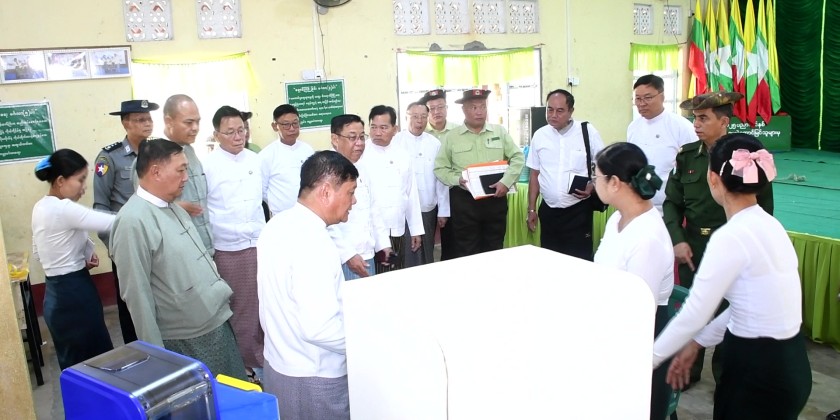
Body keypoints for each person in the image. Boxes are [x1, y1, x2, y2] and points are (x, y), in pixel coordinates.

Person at [654, 133, 811, 419]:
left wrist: (647, 362)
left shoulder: (731, 236)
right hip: (791, 366)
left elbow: (694, 314)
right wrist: (698, 342)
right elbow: (748, 306)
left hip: (757, 372)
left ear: (713, 179)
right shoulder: (770, 225)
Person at [663, 91, 774, 386]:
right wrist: (677, 239)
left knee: (731, 311)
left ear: (724, 122)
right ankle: (688, 372)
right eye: (694, 118)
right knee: (693, 309)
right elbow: (672, 202)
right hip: (693, 246)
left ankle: (726, 377)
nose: (696, 124)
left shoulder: (746, 158)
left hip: (731, 246)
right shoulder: (687, 155)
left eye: (703, 118)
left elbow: (763, 205)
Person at [111, 139, 245, 380]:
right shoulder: (133, 221)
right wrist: (157, 356)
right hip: (187, 337)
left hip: (214, 321)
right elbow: (137, 294)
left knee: (232, 392)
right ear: (156, 172)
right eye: (180, 170)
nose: (186, 178)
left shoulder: (172, 206)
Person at [257, 150, 358, 420]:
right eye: (350, 192)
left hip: (279, 364)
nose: (354, 201)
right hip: (315, 377)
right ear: (326, 192)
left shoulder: (277, 224)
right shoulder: (314, 243)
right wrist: (367, 344)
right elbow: (320, 328)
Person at [591, 142, 673, 420]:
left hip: (641, 339)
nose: (593, 182)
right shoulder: (617, 218)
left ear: (614, 183)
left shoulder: (647, 237)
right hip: (613, 325)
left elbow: (637, 311)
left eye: (596, 176)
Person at [32, 149, 115, 369]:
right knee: (96, 361)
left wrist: (77, 257)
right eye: (80, 180)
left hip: (55, 294)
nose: (84, 187)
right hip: (74, 295)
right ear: (60, 180)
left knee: (74, 363)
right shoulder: (63, 208)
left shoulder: (41, 206)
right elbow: (111, 222)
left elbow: (39, 251)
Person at [203, 106, 265, 382]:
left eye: (242, 130)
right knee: (241, 306)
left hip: (259, 241)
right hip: (229, 247)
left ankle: (260, 355)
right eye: (230, 132)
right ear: (216, 134)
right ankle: (245, 364)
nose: (238, 136)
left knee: (262, 302)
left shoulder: (255, 160)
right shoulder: (207, 166)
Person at [93, 99, 159, 344]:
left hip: (157, 241)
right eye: (141, 120)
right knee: (132, 305)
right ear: (125, 124)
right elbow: (100, 208)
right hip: (128, 243)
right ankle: (139, 351)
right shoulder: (109, 158)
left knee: (160, 300)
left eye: (149, 119)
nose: (147, 124)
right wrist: (115, 248)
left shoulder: (157, 152)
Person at [434, 89, 524, 258]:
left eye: (483, 106)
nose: (479, 111)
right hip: (464, 202)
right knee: (466, 251)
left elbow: (518, 158)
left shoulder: (499, 132)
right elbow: (440, 168)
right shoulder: (452, 137)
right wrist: (457, 179)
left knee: (494, 248)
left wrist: (506, 182)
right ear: (464, 110)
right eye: (474, 107)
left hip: (495, 199)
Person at [526, 89, 604, 261]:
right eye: (550, 109)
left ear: (571, 111)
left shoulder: (587, 131)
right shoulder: (540, 135)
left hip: (578, 211)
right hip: (549, 211)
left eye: (560, 110)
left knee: (579, 261)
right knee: (550, 260)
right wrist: (531, 209)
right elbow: (534, 174)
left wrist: (593, 185)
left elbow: (603, 165)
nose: (553, 115)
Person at [328, 114, 392, 279]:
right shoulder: (326, 172)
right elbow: (325, 222)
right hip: (341, 258)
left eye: (362, 137)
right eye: (352, 138)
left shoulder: (363, 168)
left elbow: (374, 209)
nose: (359, 143)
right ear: (335, 139)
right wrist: (348, 255)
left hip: (366, 254)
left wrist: (383, 245)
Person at [363, 105, 424, 271]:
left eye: (383, 128)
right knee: (371, 275)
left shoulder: (402, 155)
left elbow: (411, 194)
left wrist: (416, 230)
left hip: (396, 227)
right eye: (373, 127)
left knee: (395, 272)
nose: (377, 133)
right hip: (369, 231)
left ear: (395, 129)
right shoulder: (361, 154)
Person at [626, 74, 697, 214]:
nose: (642, 103)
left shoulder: (681, 126)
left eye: (648, 98)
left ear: (662, 96)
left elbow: (692, 166)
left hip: (671, 206)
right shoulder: (633, 127)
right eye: (638, 99)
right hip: (639, 204)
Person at [393, 101, 450, 264]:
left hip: (427, 208)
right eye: (415, 116)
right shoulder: (396, 142)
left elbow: (441, 178)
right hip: (404, 210)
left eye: (424, 116)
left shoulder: (434, 143)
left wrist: (443, 210)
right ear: (406, 117)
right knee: (407, 253)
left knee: (427, 252)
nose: (419, 121)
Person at [162, 94, 214, 254]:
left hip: (204, 247)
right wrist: (174, 208)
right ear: (169, 121)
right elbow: (145, 208)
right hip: (178, 252)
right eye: (189, 122)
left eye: (198, 121)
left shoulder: (190, 152)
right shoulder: (155, 156)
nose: (195, 128)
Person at [420, 89, 457, 261]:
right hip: (428, 194)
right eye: (432, 108)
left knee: (452, 240)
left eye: (440, 107)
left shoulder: (458, 131)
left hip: (453, 192)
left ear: (447, 108)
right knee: (426, 241)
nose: (437, 112)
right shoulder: (419, 133)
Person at [260, 104, 315, 216]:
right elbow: (262, 190)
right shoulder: (266, 155)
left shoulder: (307, 150)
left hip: (308, 213)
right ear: (275, 126)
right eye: (286, 124)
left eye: (295, 123)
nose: (292, 128)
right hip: (281, 216)